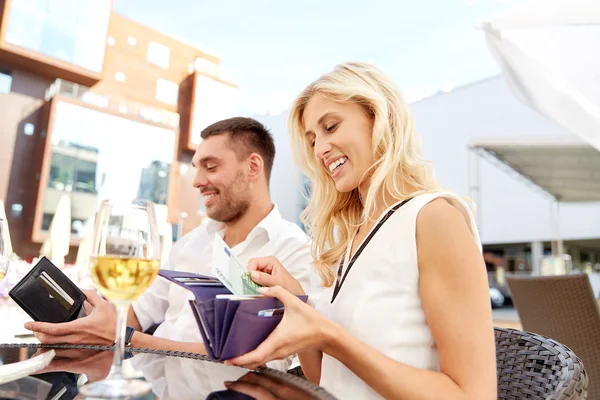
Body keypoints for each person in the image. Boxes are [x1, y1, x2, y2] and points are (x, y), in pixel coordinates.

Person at [226, 63, 497, 399]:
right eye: (312, 140)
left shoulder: (433, 218)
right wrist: (296, 302)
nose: (320, 150)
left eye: (331, 127)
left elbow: (474, 395)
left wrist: (330, 336)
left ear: (380, 118)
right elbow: (326, 378)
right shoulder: (352, 237)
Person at [25, 117, 316, 372]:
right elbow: (137, 314)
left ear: (253, 167)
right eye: (196, 168)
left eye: (211, 167)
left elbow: (261, 359)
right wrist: (83, 321)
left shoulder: (295, 251)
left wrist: (125, 338)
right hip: (153, 386)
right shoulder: (190, 244)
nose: (198, 181)